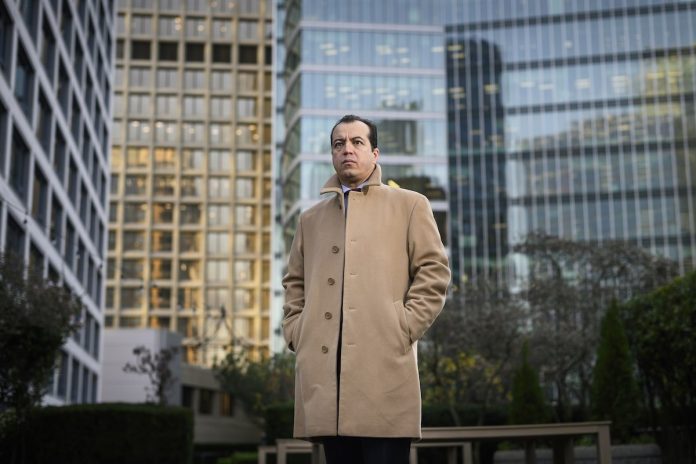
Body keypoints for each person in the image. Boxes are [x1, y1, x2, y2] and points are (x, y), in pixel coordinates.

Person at [282, 115, 451, 464]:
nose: (347, 149)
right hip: (326, 376)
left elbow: (434, 272)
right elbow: (294, 282)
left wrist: (404, 326)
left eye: (357, 142)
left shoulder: (410, 204)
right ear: (332, 154)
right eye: (339, 144)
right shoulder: (310, 219)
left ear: (375, 153)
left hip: (384, 368)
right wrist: (297, 331)